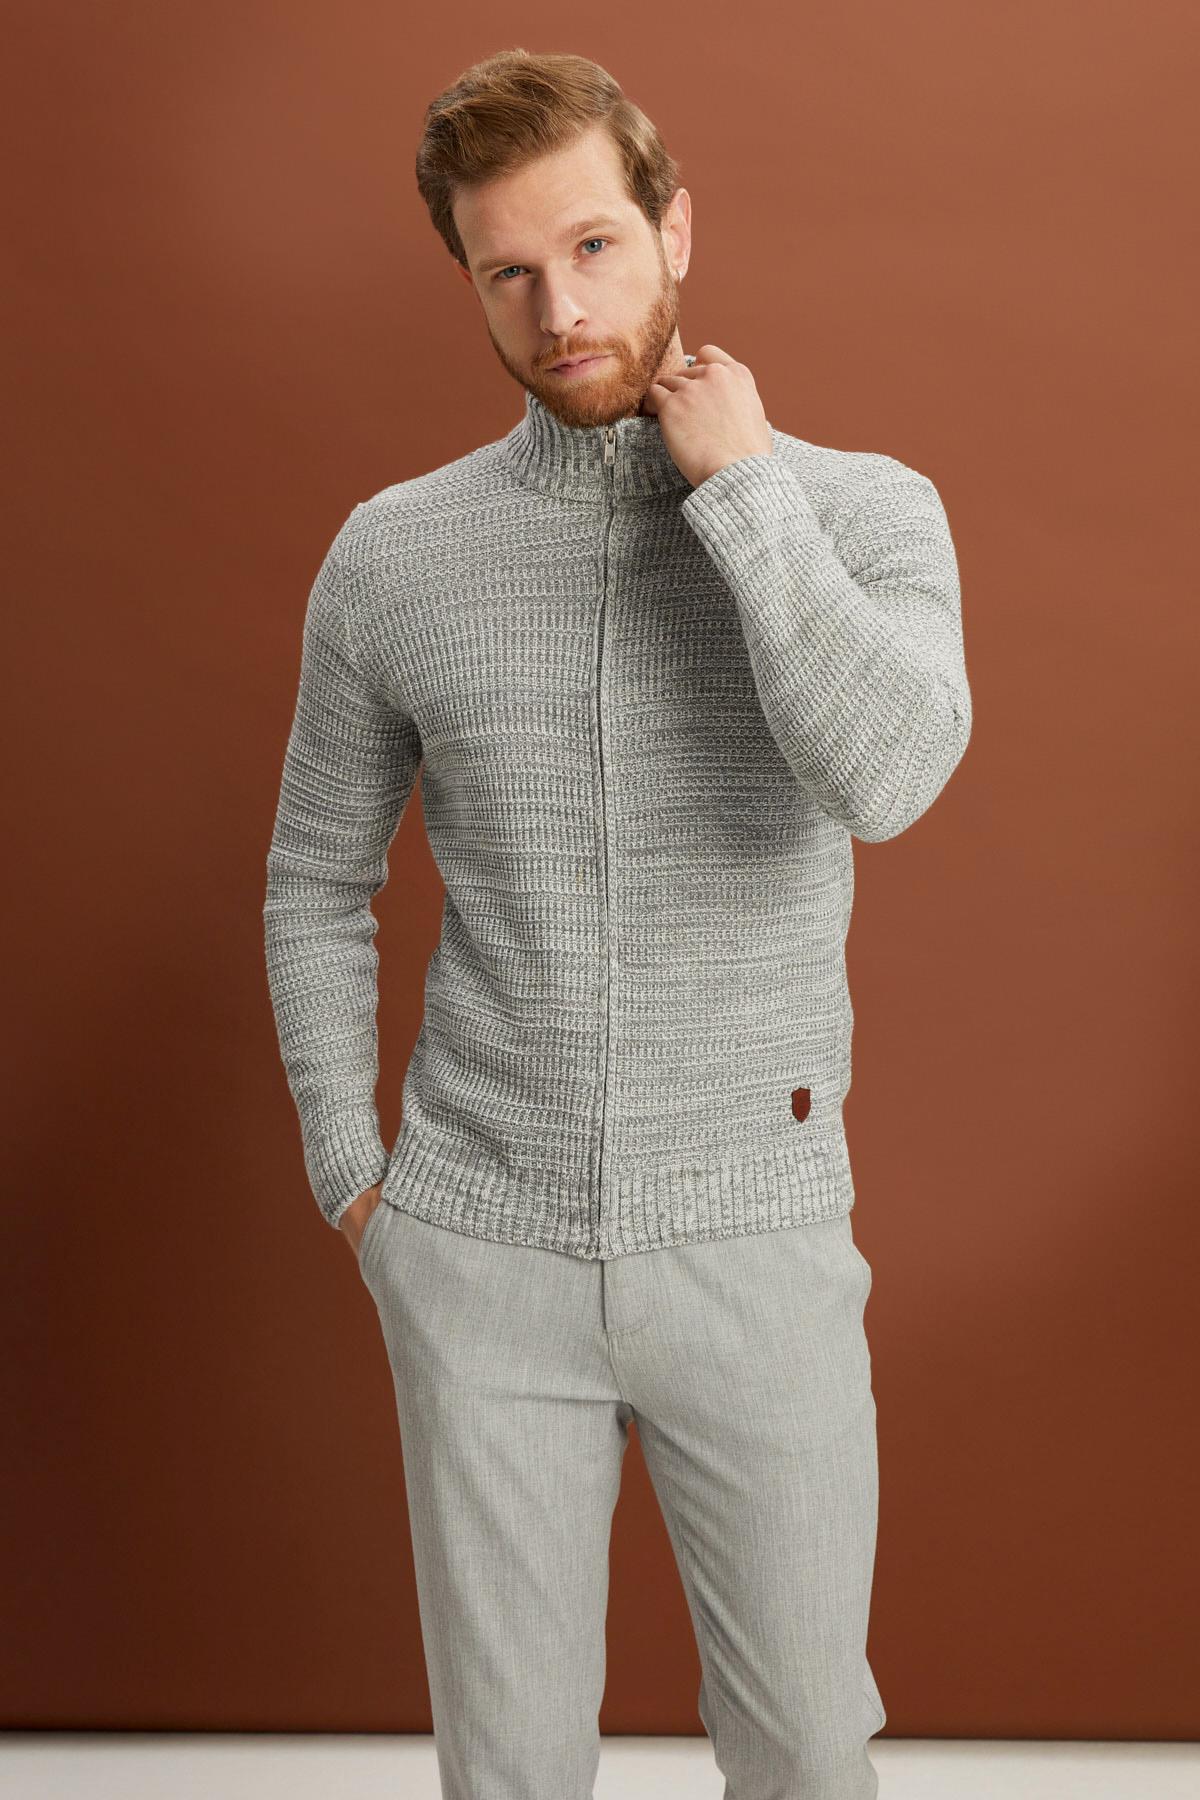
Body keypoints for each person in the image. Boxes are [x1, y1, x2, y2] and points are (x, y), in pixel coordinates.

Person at [263, 46, 971, 1800]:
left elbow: (889, 775)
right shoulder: (393, 556)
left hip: (760, 1244)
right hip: (477, 1251)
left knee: (807, 1748)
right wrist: (358, 1181)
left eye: (590, 247)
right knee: (507, 1770)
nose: (558, 309)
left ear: (674, 231)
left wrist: (744, 494)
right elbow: (314, 882)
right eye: (504, 269)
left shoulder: (862, 511)